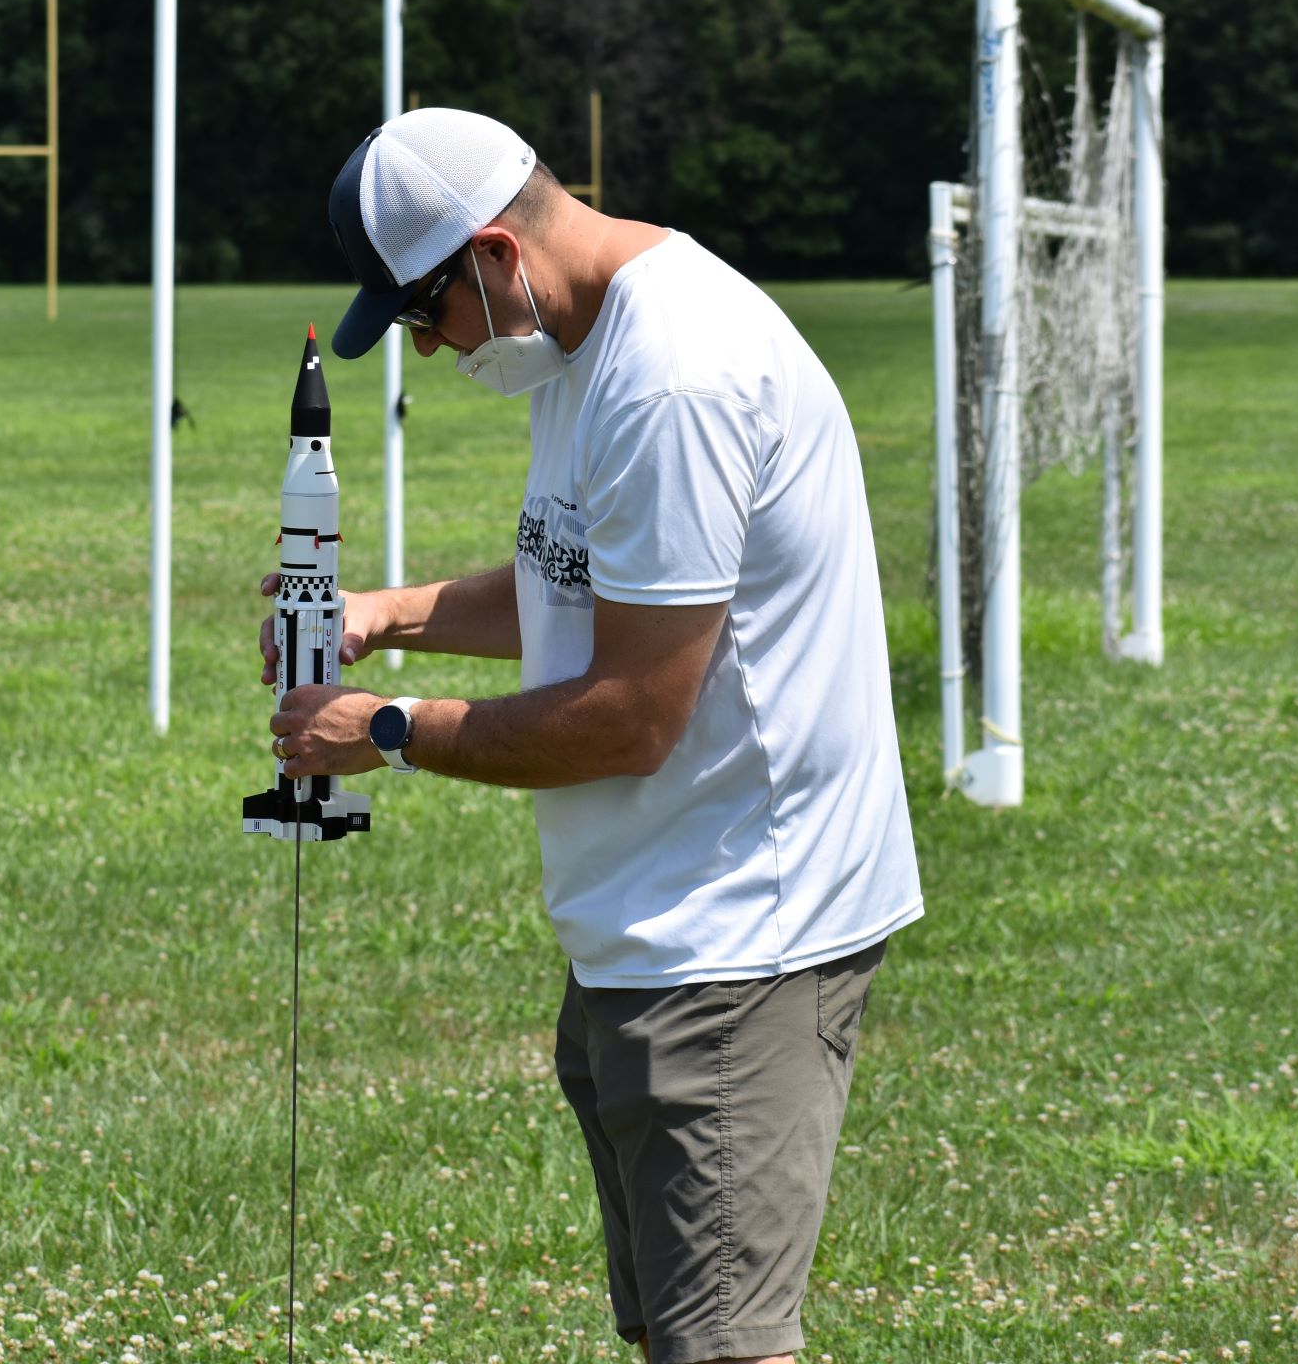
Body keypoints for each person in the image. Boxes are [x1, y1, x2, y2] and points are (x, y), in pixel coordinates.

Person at [260, 108, 923, 1364]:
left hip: (735, 932)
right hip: (650, 920)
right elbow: (581, 582)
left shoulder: (673, 379)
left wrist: (390, 730)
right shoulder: (583, 345)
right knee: (680, 1330)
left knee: (724, 1346)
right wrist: (389, 617)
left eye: (419, 313)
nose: (425, 345)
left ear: (494, 256)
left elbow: (631, 716)